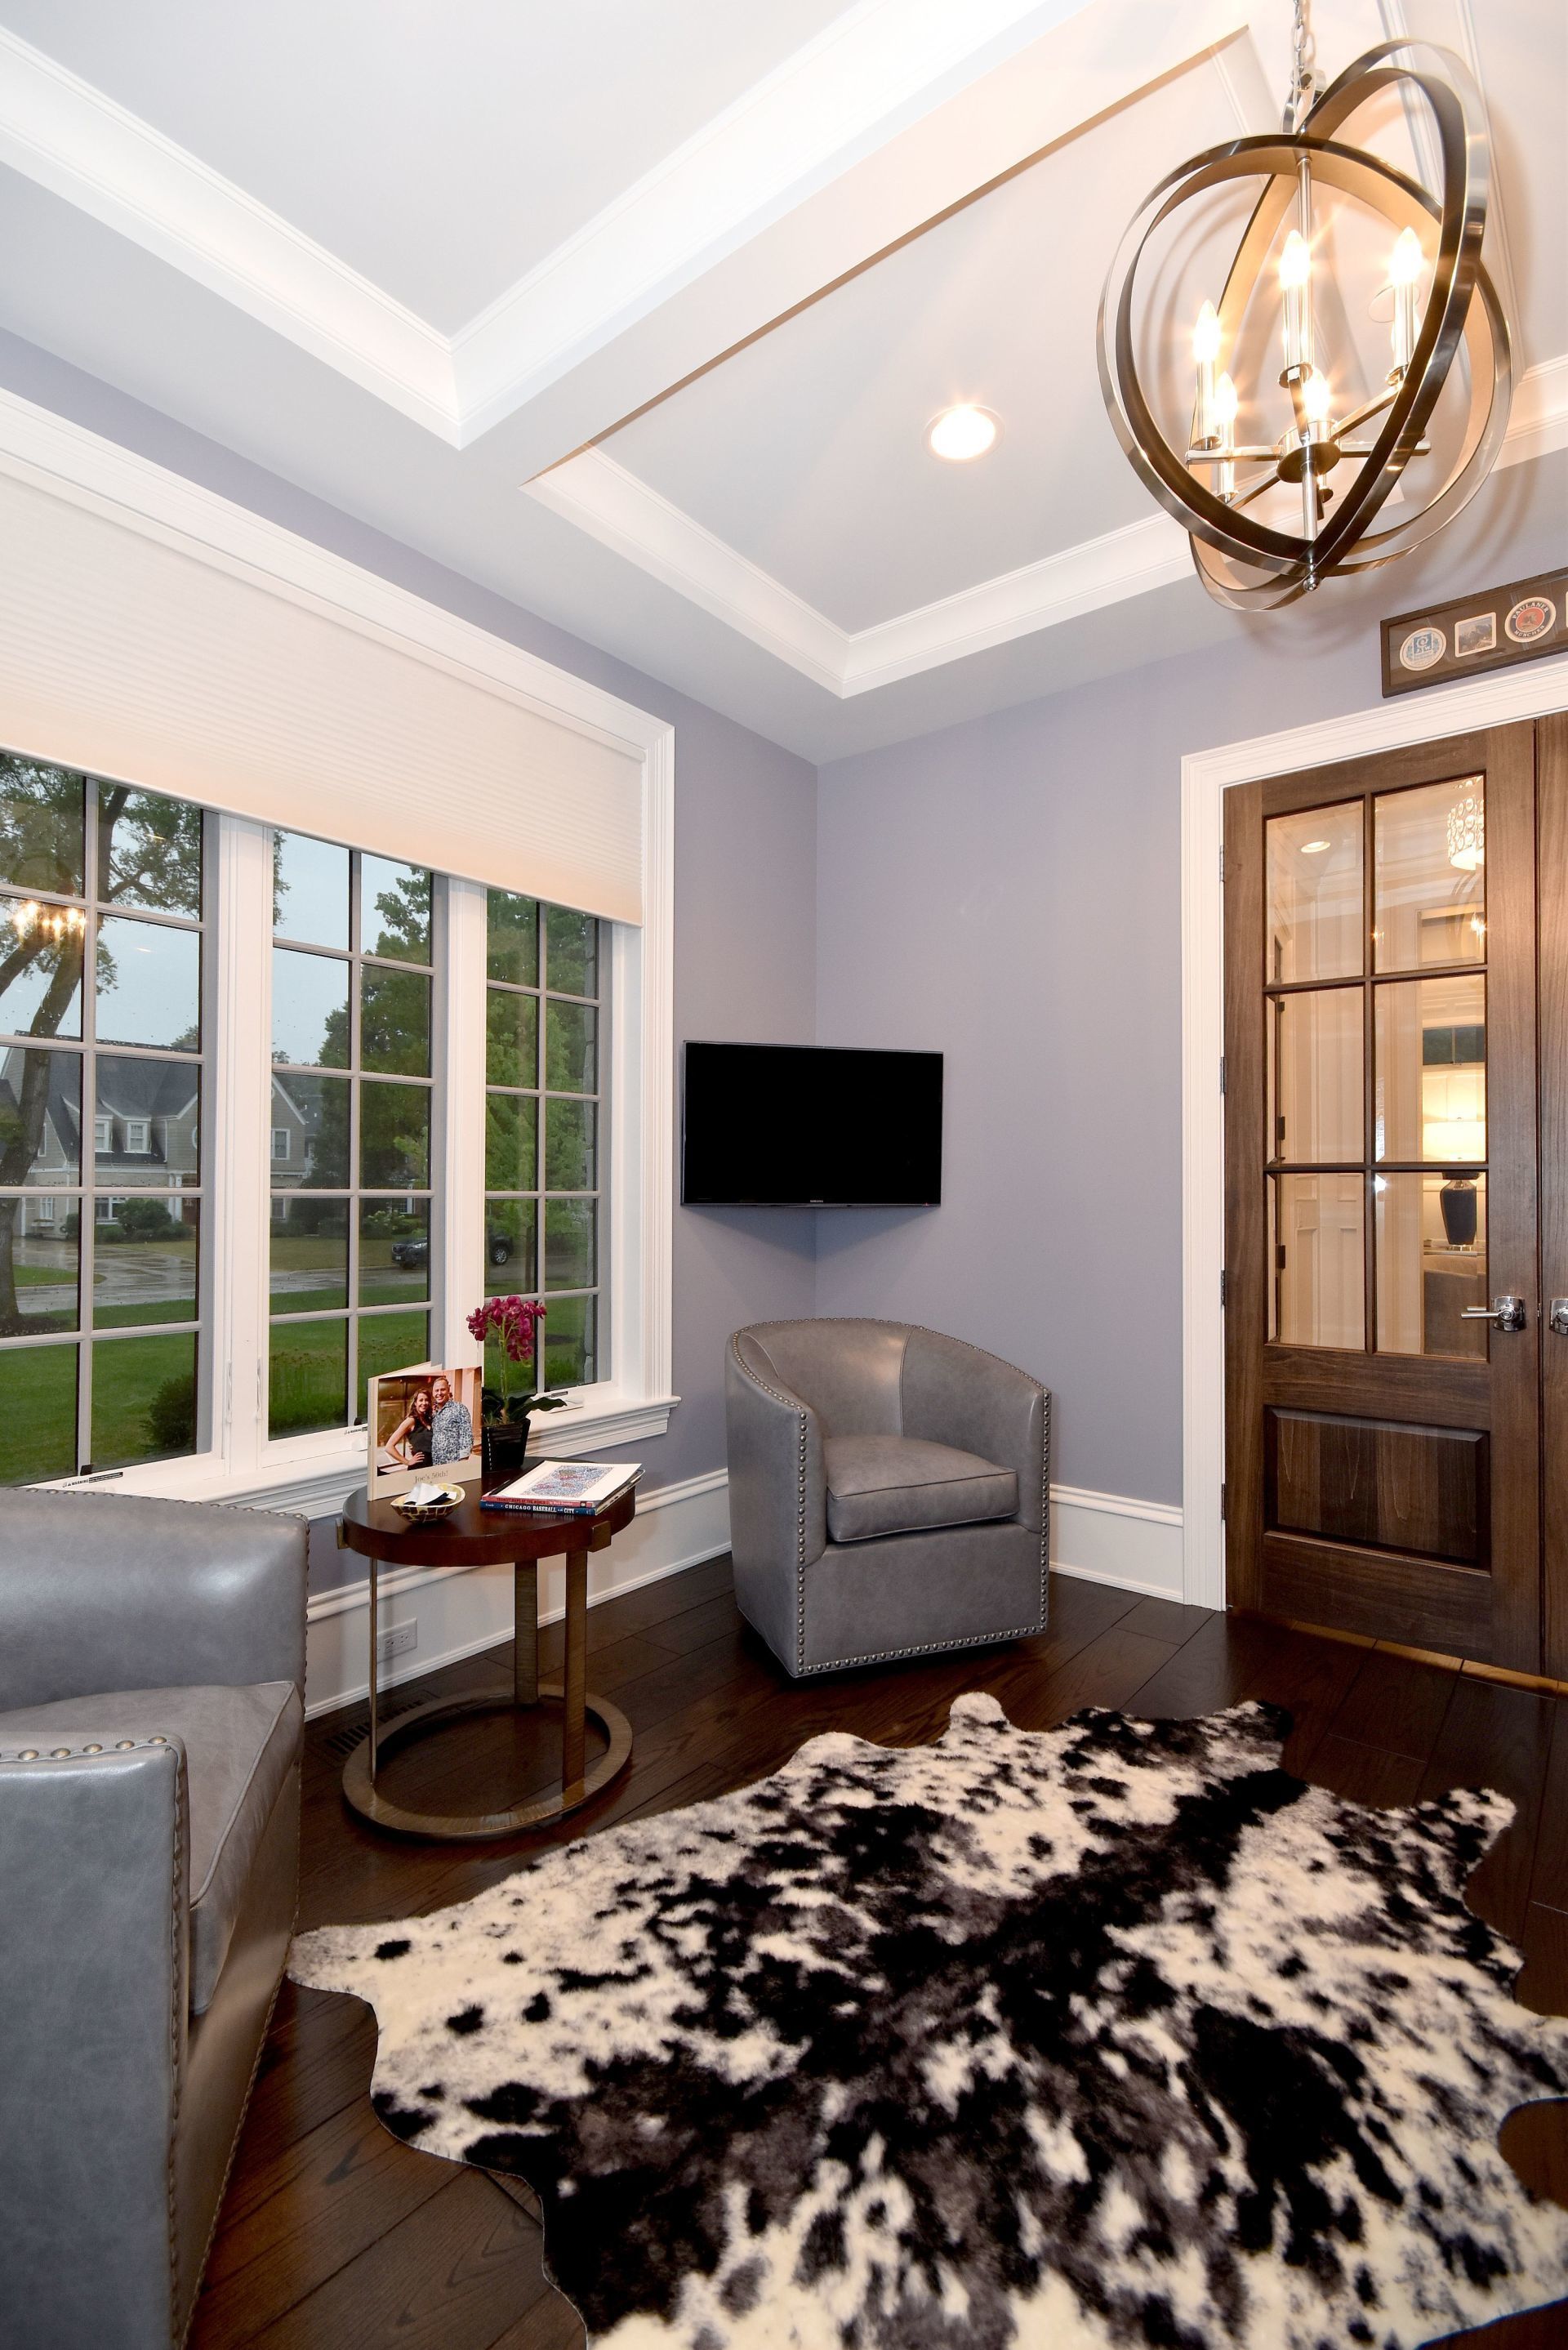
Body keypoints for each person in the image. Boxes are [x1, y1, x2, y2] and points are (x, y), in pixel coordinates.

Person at [384, 1386, 434, 1470]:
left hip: (432, 1466)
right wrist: (407, 1462)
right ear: (415, 1403)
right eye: (421, 1400)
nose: (424, 1403)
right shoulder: (411, 1421)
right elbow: (389, 1447)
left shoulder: (428, 1420)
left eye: (427, 1400)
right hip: (418, 1468)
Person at [430, 1371, 474, 1467]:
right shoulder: (433, 1413)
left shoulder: (459, 1408)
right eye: (436, 1390)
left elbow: (466, 1435)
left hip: (454, 1463)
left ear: (448, 1390)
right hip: (436, 1464)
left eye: (443, 1390)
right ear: (433, 1393)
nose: (439, 1393)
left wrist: (463, 1460)